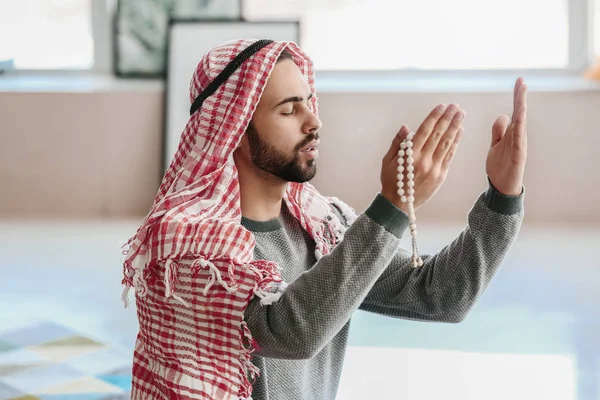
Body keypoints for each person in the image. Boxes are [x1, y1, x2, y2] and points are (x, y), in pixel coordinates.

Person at [121, 39, 527, 400]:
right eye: (288, 109)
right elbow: (288, 331)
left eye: (308, 102)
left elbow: (440, 295)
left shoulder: (322, 224)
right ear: (235, 129)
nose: (313, 122)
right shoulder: (185, 248)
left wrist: (502, 197)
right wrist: (393, 207)